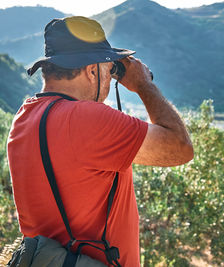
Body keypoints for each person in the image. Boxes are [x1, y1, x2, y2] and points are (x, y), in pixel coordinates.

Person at [7, 16, 193, 266]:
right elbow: (180, 148)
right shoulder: (88, 120)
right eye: (108, 68)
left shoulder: (25, 116)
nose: (110, 77)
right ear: (91, 70)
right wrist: (143, 85)